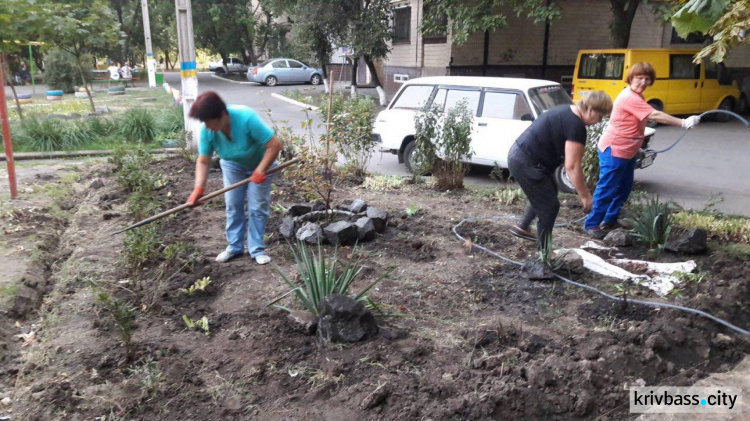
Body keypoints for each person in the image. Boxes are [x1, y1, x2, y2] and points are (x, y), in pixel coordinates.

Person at [584, 62, 701, 239]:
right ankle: (592, 225)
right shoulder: (629, 98)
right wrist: (683, 122)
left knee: (624, 187)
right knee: (607, 188)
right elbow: (653, 115)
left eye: (647, 79)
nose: (643, 82)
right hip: (614, 150)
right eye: (639, 78)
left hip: (628, 151)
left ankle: (610, 219)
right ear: (631, 78)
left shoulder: (637, 97)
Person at [186, 91, 283, 264]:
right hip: (233, 165)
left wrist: (260, 170)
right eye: (204, 122)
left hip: (262, 163)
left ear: (223, 114)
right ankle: (235, 247)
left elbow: (275, 145)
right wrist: (199, 188)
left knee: (257, 206)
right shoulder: (208, 131)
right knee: (233, 204)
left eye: (210, 121)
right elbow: (203, 161)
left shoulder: (246, 118)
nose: (207, 126)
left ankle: (257, 249)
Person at [508, 91, 614, 250]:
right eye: (600, 117)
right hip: (526, 161)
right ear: (591, 109)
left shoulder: (566, 111)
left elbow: (567, 161)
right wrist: (586, 197)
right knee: (550, 206)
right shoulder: (576, 126)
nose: (599, 122)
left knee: (548, 191)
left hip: (521, 155)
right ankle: (544, 255)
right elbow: (572, 166)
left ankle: (523, 227)